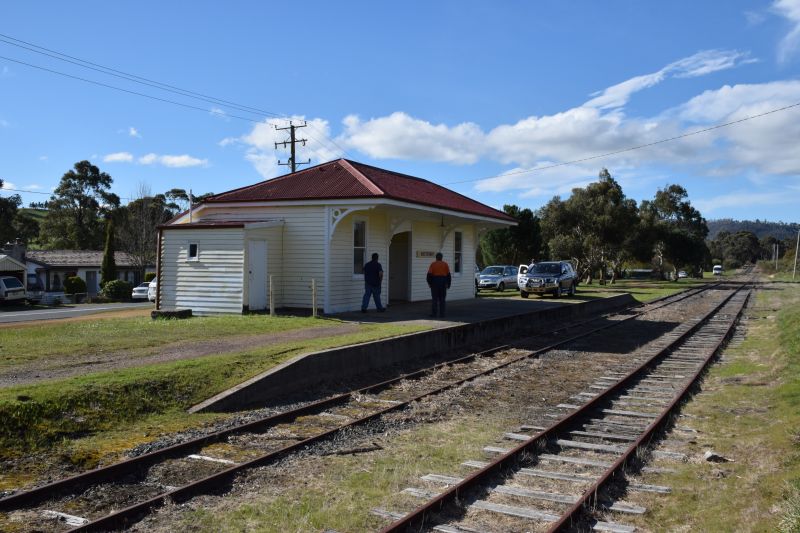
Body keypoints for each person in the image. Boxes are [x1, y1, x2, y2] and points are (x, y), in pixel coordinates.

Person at [426, 252, 451, 318]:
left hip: (435, 282)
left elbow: (429, 275)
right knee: (442, 299)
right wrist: (448, 284)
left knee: (435, 299)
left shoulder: (433, 264)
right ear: (441, 257)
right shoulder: (445, 264)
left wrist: (430, 283)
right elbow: (448, 275)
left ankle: (434, 314)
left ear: (436, 258)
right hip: (443, 282)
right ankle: (442, 314)